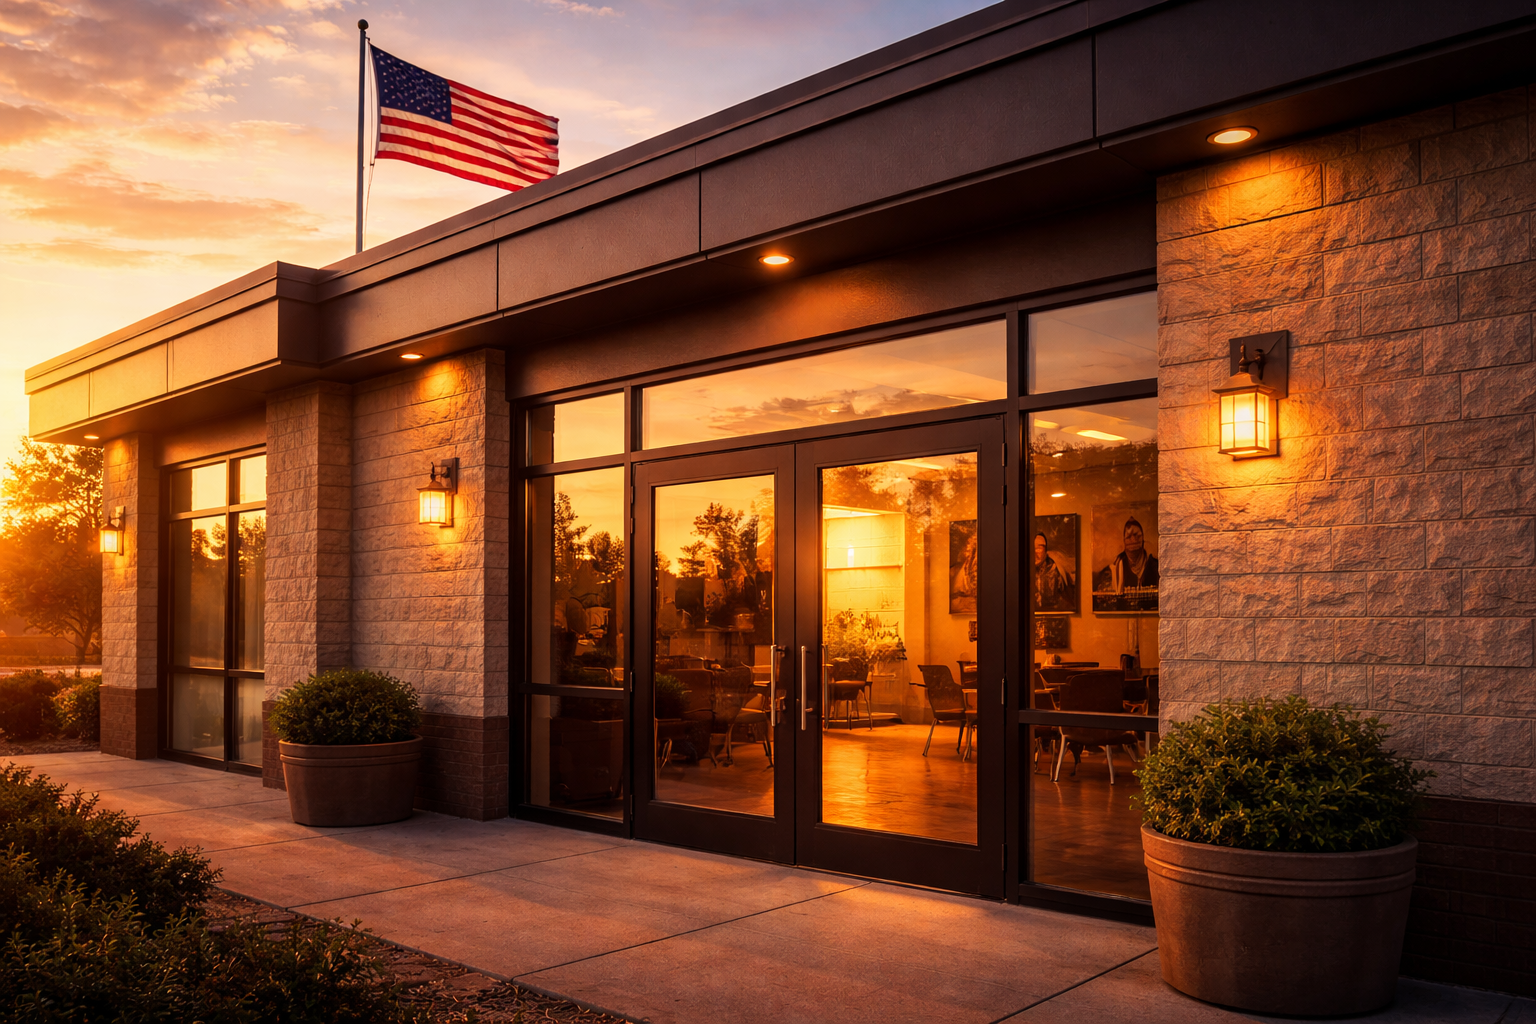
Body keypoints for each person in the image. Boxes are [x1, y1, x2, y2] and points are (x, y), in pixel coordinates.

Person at [1098, 516, 1158, 594]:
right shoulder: (1114, 568)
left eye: (1137, 535)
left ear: (1143, 538)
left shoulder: (1156, 567)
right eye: (1129, 536)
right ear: (1124, 541)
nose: (1133, 539)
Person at [1032, 532, 1075, 612]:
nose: (1035, 553)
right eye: (1032, 548)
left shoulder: (1055, 570)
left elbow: (1068, 602)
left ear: (1045, 551)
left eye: (1039, 548)